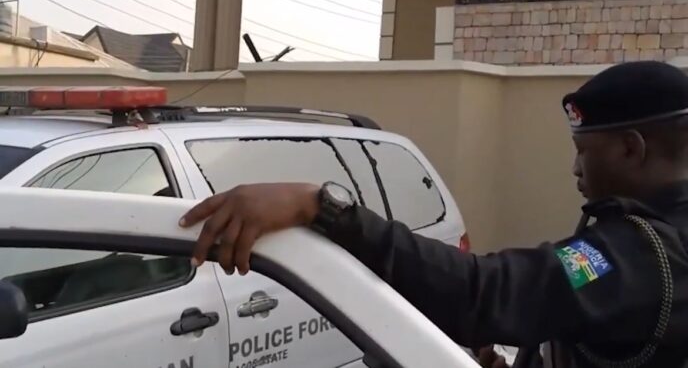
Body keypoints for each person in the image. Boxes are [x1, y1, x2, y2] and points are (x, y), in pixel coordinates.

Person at [179, 60, 688, 368]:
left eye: (585, 150)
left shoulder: (647, 254)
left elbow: (483, 290)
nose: (575, 167)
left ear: (630, 149)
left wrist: (320, 206)